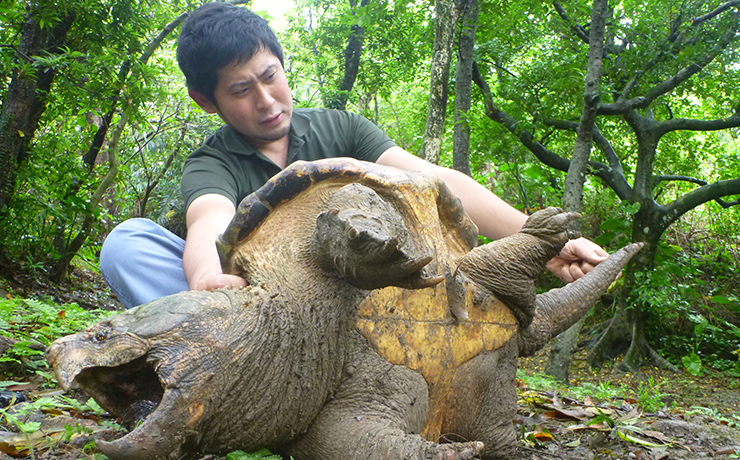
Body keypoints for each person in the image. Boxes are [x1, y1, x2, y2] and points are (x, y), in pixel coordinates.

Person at [100, 2, 609, 309]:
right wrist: (204, 279)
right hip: (254, 303)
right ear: (207, 101)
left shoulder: (341, 128)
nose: (266, 100)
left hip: (357, 296)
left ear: (281, 63)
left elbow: (437, 180)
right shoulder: (212, 161)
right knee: (127, 243)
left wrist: (540, 240)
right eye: (240, 90)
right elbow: (208, 219)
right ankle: (229, 364)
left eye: (270, 75)